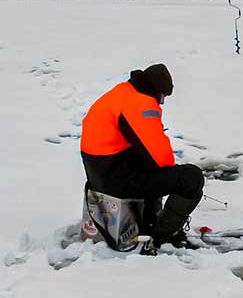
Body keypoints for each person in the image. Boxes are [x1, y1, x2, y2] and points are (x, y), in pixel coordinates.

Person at [80, 64, 203, 254]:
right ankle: (163, 235)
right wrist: (173, 176)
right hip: (115, 179)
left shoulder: (122, 93)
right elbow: (161, 159)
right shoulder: (141, 103)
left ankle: (149, 219)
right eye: (163, 97)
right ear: (156, 91)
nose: (162, 103)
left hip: (102, 174)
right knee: (190, 179)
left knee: (147, 163)